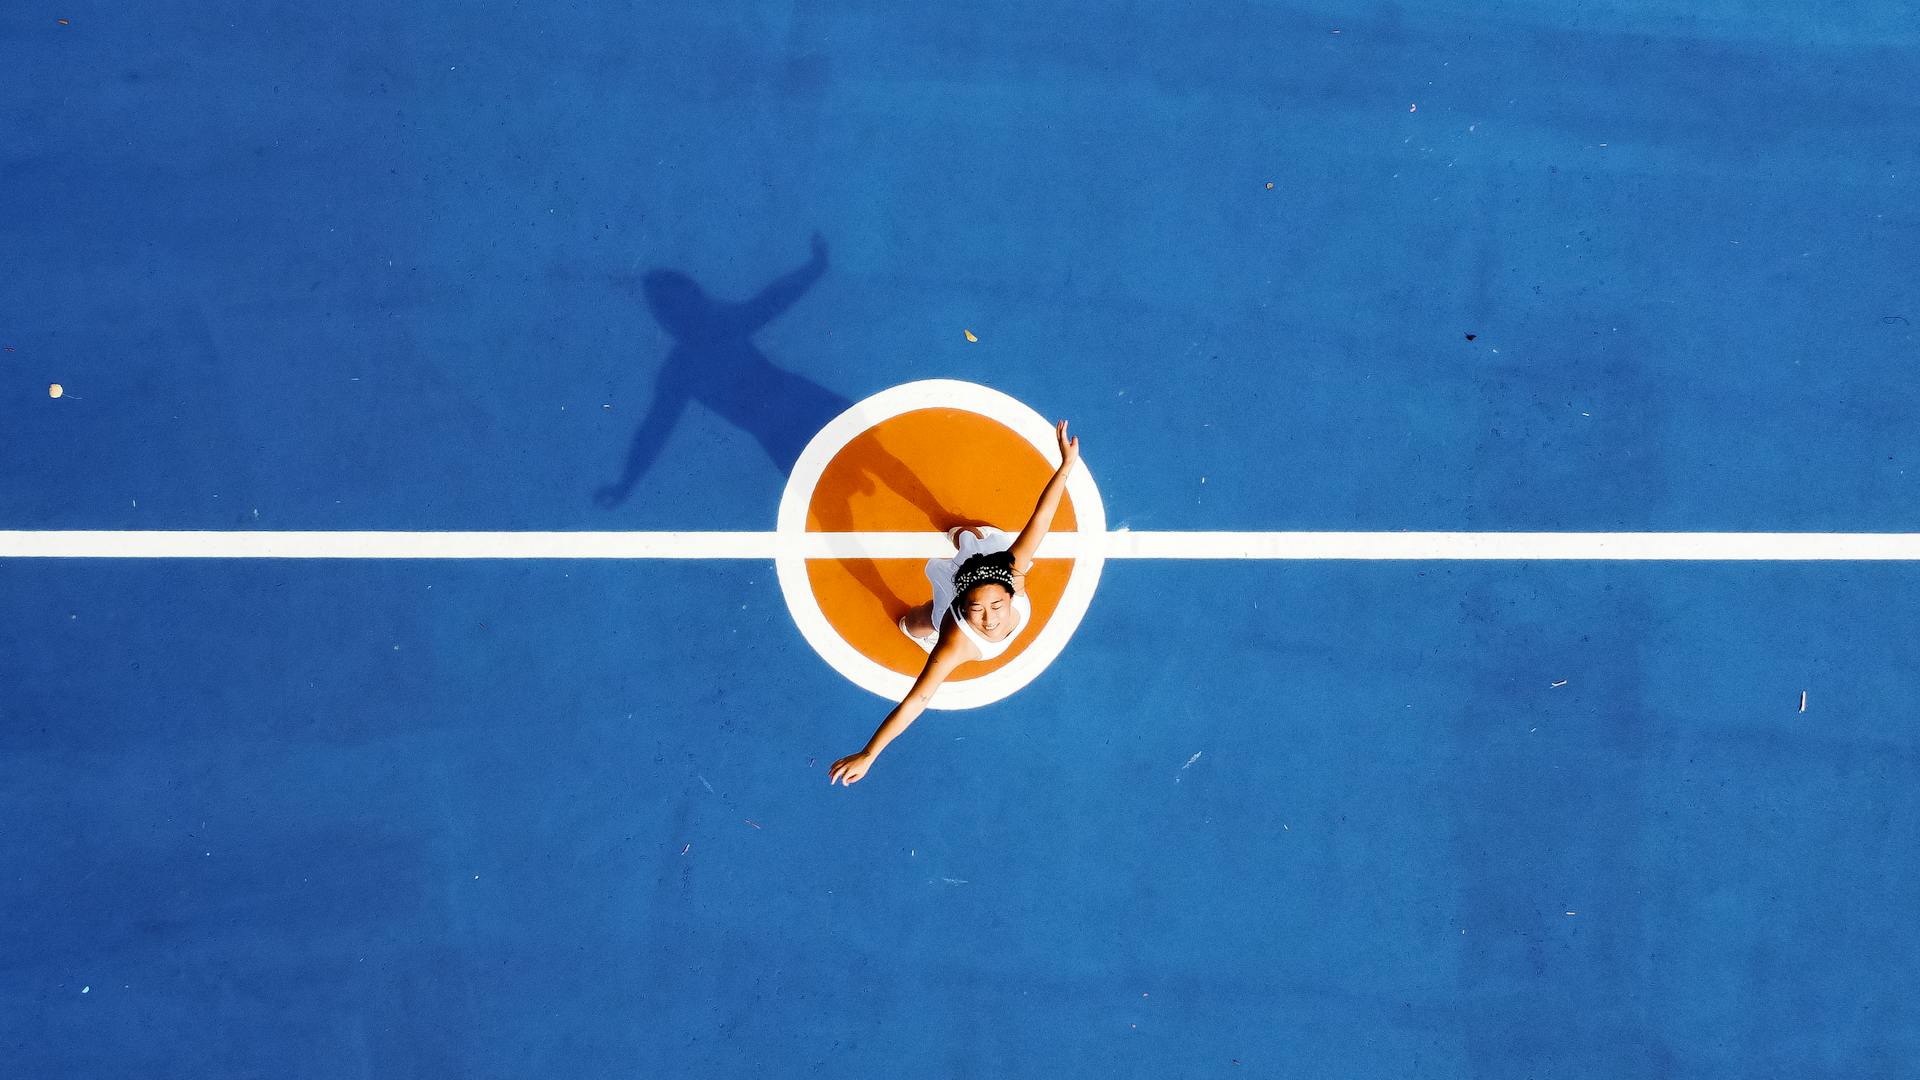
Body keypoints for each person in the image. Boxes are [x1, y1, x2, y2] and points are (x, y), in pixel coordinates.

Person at [828, 420, 1080, 787]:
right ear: (964, 602)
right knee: (923, 620)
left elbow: (1040, 520)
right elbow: (918, 699)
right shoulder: (956, 641)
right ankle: (960, 551)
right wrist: (870, 753)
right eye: (977, 609)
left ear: (1010, 592)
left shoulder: (1014, 570)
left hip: (982, 570)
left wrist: (1066, 467)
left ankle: (967, 537)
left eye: (995, 606)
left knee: (975, 543)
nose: (989, 618)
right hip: (953, 604)